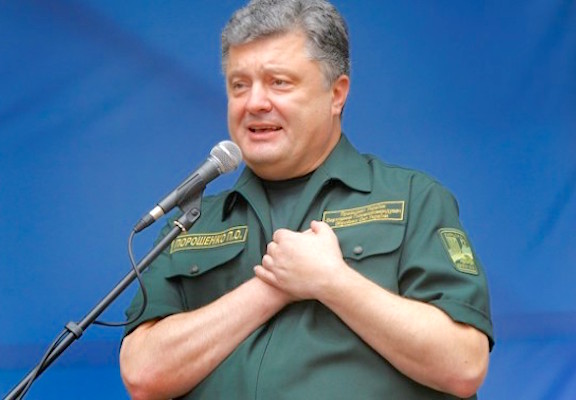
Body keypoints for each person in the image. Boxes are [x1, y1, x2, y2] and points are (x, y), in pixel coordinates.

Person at [119, 1, 494, 399]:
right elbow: (143, 373)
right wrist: (270, 288)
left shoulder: (413, 199)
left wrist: (333, 282)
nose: (254, 102)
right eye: (239, 85)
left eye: (279, 82)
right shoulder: (192, 223)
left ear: (337, 94)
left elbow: (463, 364)